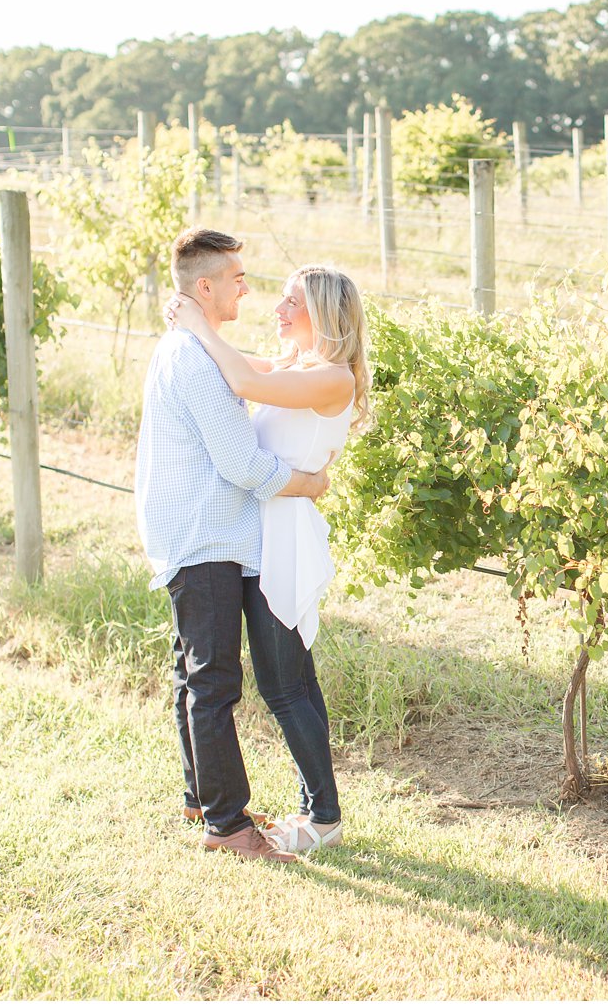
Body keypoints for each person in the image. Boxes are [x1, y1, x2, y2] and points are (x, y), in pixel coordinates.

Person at [135, 228, 330, 864]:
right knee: (214, 682)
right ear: (205, 286)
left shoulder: (192, 347)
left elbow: (261, 372)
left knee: (193, 675)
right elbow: (243, 465)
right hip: (206, 534)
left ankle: (201, 796)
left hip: (193, 531)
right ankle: (228, 825)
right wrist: (307, 483)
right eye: (238, 278)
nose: (247, 287)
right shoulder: (194, 358)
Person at [165, 263, 370, 855]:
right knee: (290, 682)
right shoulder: (300, 367)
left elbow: (242, 382)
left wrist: (200, 326)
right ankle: (315, 808)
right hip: (263, 540)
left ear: (325, 315)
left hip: (285, 543)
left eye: (290, 302)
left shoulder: (334, 379)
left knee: (286, 687)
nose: (277, 310)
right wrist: (192, 328)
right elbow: (241, 370)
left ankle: (323, 816)